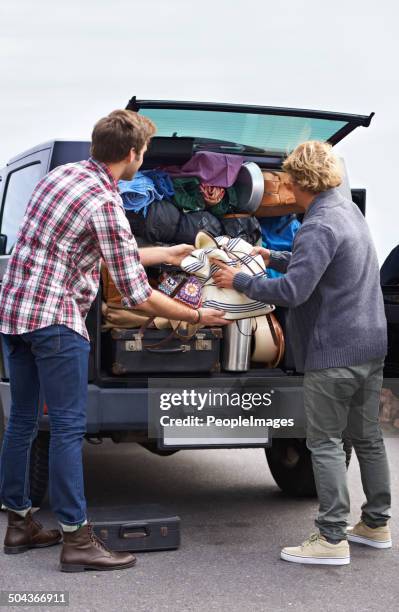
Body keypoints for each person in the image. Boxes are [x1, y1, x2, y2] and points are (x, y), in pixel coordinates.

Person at [0, 109, 228, 572]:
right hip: (55, 320)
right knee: (67, 427)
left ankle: (19, 523)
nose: (142, 159)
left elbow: (97, 252)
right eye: (143, 152)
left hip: (14, 314)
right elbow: (136, 293)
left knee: (22, 422)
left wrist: (165, 252)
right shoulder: (106, 203)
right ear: (131, 154)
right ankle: (76, 538)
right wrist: (198, 315)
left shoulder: (64, 176)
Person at [212, 141, 391, 566]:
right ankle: (376, 524)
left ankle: (331, 538)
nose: (283, 184)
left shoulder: (318, 224)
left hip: (334, 351)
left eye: (287, 178)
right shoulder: (346, 213)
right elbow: (320, 263)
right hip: (370, 345)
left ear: (298, 182)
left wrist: (241, 280)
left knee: (325, 442)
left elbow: (294, 290)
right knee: (366, 438)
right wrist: (270, 255)